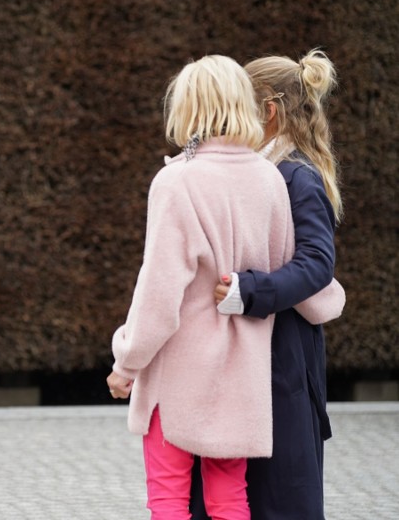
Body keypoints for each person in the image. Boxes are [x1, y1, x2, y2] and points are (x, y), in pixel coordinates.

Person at [105, 54, 342, 519]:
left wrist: (127, 360)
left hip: (181, 374)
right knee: (231, 497)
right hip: (245, 373)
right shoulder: (270, 178)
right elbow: (303, 271)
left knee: (170, 498)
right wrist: (328, 297)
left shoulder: (176, 180)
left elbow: (159, 290)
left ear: (188, 108)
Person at [194, 49, 342, 520]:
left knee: (279, 498)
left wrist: (250, 291)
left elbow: (318, 262)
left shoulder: (296, 175)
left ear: (268, 112)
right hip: (251, 354)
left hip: (284, 359)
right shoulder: (255, 170)